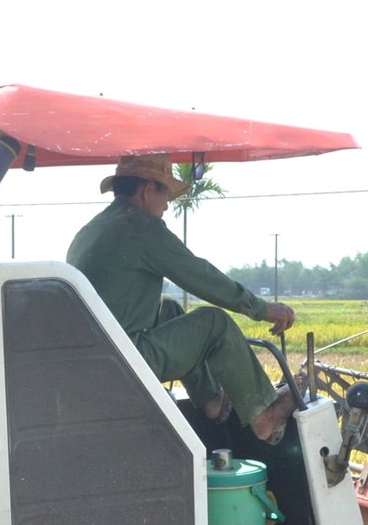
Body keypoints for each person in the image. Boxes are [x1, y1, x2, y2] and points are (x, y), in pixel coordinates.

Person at [65, 154, 299, 444]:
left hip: (95, 357)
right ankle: (266, 418)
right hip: (124, 360)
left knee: (171, 310)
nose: (166, 206)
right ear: (147, 190)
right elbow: (200, 276)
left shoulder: (91, 229)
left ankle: (211, 401)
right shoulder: (142, 228)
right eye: (165, 196)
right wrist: (262, 308)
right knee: (215, 323)